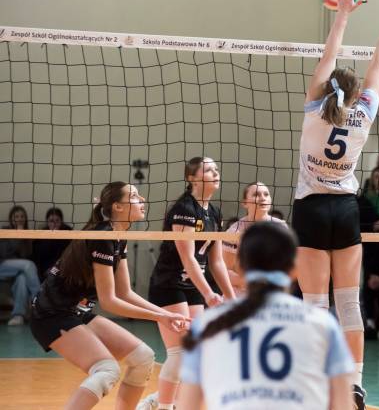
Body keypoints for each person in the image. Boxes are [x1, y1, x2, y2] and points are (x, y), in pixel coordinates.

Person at [291, 0, 379, 409]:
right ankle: (355, 384)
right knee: (348, 302)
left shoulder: (314, 109)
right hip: (345, 210)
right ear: (356, 93)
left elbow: (328, 56)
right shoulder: (363, 115)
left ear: (326, 88)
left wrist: (341, 14)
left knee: (314, 303)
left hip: (310, 208)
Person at [29, 182, 187, 410]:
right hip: (51, 314)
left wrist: (165, 315)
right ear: (117, 206)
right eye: (134, 196)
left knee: (143, 358)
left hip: (76, 311)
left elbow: (125, 293)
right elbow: (109, 301)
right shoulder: (103, 236)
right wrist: (160, 317)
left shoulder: (118, 236)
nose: (142, 199)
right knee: (106, 370)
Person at [177, 222, 354, 410]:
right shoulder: (323, 324)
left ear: (240, 267)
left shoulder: (207, 324)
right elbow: (342, 405)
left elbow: (187, 406)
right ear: (295, 268)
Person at [140, 157, 236, 410]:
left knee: (195, 353)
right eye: (208, 170)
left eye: (216, 168)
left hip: (192, 286)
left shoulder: (214, 212)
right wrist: (209, 294)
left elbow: (216, 261)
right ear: (192, 178)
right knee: (180, 353)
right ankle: (164, 406)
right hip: (169, 283)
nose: (215, 172)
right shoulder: (184, 209)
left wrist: (231, 297)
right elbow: (188, 257)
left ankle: (159, 401)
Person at [221, 182, 285, 295]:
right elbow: (225, 271)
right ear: (245, 203)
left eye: (266, 194)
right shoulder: (235, 230)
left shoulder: (281, 227)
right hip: (239, 294)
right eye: (256, 195)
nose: (263, 198)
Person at [0, 205, 40, 326]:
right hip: (2, 265)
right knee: (29, 265)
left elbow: (25, 254)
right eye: (16, 216)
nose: (19, 219)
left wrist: (22, 235)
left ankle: (18, 316)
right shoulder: (4, 230)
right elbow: (4, 253)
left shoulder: (26, 233)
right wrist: (17, 235)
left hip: (16, 270)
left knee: (22, 278)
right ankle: (40, 301)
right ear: (11, 219)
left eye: (22, 216)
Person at [32, 207, 72, 280]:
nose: (54, 224)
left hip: (63, 266)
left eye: (57, 220)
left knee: (57, 272)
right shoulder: (41, 235)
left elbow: (68, 255)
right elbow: (39, 256)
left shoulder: (68, 233)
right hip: (48, 268)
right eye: (51, 221)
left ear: (61, 222)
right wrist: (51, 237)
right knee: (53, 274)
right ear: (47, 222)